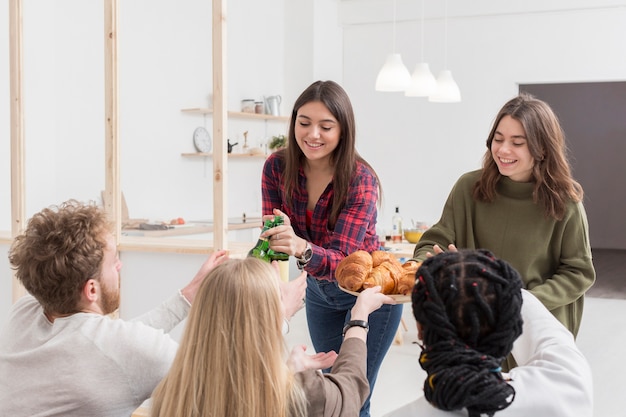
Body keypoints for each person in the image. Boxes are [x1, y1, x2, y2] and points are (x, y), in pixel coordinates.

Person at [0, 199, 304, 417]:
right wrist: (279, 317)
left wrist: (186, 297)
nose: (120, 265)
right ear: (91, 290)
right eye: (113, 261)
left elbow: (112, 343)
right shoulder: (126, 351)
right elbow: (227, 383)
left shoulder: (24, 313)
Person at [260, 79, 403, 416]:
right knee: (326, 394)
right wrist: (273, 286)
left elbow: (343, 261)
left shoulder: (359, 179)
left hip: (369, 298)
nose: (313, 134)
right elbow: (272, 240)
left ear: (343, 130)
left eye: (326, 126)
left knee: (354, 398)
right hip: (319, 295)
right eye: (304, 123)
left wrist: (300, 247)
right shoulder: (276, 168)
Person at [411, 93, 595, 347]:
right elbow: (433, 242)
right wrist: (425, 267)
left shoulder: (565, 203)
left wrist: (518, 301)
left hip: (534, 331)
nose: (503, 150)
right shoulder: (468, 188)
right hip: (474, 329)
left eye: (517, 142)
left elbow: (578, 272)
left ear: (542, 147)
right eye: (498, 139)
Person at [149, 257, 395, 417]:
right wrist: (359, 317)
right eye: (278, 296)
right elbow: (350, 391)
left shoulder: (172, 394)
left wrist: (288, 367)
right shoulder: (300, 395)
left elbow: (242, 335)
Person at [384, 249, 593, 417]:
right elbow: (541, 324)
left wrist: (358, 325)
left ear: (419, 329)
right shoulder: (568, 386)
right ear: (512, 327)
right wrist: (477, 278)